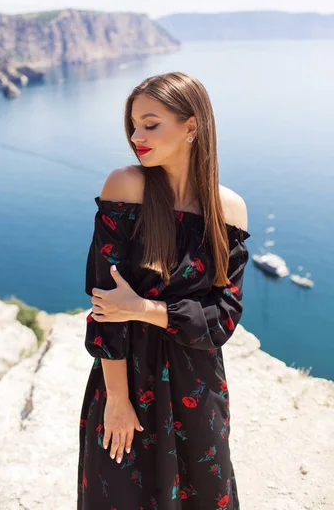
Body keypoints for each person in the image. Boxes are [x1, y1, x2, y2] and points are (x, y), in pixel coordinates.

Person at [77, 71, 251, 509]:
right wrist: (117, 399)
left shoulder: (228, 210)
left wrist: (143, 307)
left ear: (191, 126)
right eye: (133, 125)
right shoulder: (126, 186)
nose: (136, 136)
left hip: (198, 385)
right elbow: (103, 307)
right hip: (128, 380)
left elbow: (224, 317)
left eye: (150, 124)